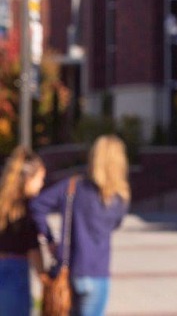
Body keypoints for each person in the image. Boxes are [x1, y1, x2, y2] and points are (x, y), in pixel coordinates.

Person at [31, 135, 130, 316]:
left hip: (70, 269)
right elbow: (115, 224)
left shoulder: (73, 186)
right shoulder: (119, 197)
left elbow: (37, 205)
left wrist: (50, 240)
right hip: (97, 271)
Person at [0, 146, 46, 316]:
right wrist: (44, 278)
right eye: (40, 178)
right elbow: (33, 247)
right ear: (28, 179)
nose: (42, 184)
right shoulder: (26, 208)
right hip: (15, 274)